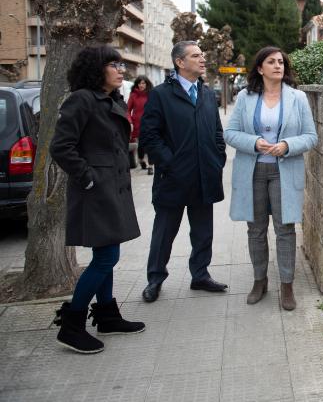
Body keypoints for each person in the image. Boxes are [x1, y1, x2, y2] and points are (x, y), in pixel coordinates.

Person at [49, 46, 145, 354]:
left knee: (106, 254)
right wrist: (88, 177)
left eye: (121, 65)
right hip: (94, 192)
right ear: (96, 69)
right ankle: (72, 324)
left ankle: (106, 315)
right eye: (113, 65)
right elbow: (61, 147)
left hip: (111, 189)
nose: (121, 70)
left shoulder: (110, 99)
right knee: (106, 258)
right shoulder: (82, 100)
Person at [224, 46, 317, 309]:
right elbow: (230, 134)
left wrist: (287, 145)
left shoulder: (297, 97)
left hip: (283, 171)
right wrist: (254, 142)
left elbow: (311, 136)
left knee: (285, 228)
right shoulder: (245, 97)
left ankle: (287, 286)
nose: (278, 65)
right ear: (260, 68)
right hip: (252, 171)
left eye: (281, 62)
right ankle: (259, 280)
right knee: (255, 229)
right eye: (271, 61)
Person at [139, 41, 228, 302]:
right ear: (180, 62)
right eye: (196, 56)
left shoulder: (207, 93)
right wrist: (170, 164)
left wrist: (217, 158)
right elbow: (149, 136)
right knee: (164, 231)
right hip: (173, 179)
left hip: (205, 176)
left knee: (203, 232)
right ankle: (155, 279)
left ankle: (200, 275)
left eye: (203, 54)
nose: (203, 59)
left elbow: (216, 131)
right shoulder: (160, 94)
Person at [127, 75, 153, 175]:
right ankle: (141, 160)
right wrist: (129, 121)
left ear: (147, 84)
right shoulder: (133, 95)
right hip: (138, 125)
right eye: (139, 83)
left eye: (143, 83)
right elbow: (128, 110)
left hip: (150, 124)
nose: (141, 85)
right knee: (141, 146)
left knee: (151, 145)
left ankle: (151, 166)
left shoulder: (151, 94)